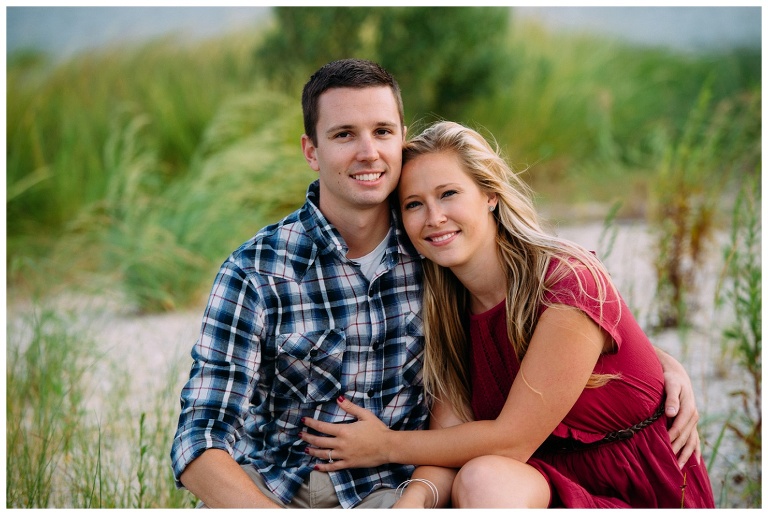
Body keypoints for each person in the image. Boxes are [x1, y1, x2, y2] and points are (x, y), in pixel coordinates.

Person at [171, 59, 701, 509]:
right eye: (343, 135)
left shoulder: (436, 253)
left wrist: (661, 367)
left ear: (401, 140)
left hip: (405, 488)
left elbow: (566, 319)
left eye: (382, 131)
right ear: (311, 151)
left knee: (485, 482)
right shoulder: (261, 271)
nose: (368, 152)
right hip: (284, 490)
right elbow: (199, 436)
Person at [299, 121, 716, 508]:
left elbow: (511, 441)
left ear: (490, 194)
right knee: (483, 479)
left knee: (486, 476)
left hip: (640, 488)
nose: (434, 218)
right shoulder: (446, 309)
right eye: (413, 204)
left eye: (449, 194)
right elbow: (449, 442)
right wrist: (413, 502)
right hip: (542, 480)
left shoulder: (568, 282)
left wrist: (384, 445)